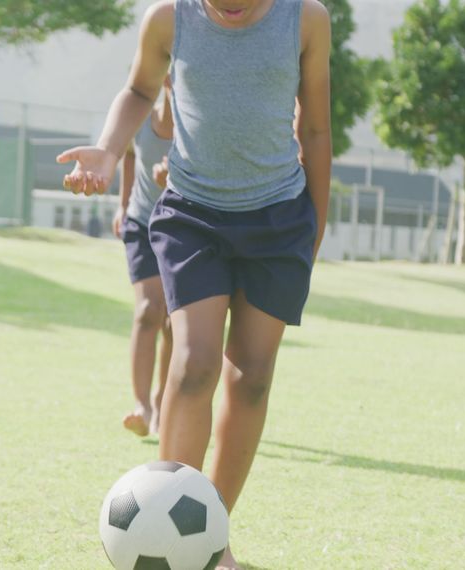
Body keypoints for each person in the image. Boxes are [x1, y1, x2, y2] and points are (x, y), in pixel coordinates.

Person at [57, 1, 331, 567]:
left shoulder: (306, 20)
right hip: (192, 214)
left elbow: (317, 126)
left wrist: (316, 229)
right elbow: (139, 90)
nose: (231, 5)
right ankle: (164, 532)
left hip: (279, 216)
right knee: (194, 364)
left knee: (252, 377)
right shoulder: (168, 18)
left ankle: (209, 537)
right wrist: (108, 151)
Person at [113, 82, 174, 438]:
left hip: (181, 226)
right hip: (141, 222)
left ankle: (163, 403)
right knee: (149, 310)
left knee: (173, 322)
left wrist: (174, 180)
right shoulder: (142, 118)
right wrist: (122, 205)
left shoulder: (195, 129)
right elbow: (131, 155)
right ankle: (142, 406)